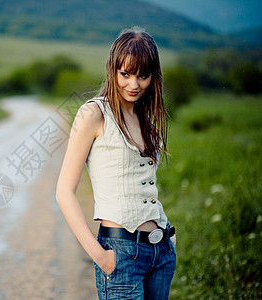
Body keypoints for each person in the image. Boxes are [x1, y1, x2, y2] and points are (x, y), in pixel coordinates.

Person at [56, 27, 177, 299]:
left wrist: (169, 240)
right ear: (113, 70)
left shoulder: (145, 117)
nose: (134, 85)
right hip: (121, 253)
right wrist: (100, 256)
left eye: (143, 76)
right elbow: (64, 192)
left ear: (153, 76)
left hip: (161, 253)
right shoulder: (93, 113)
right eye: (126, 74)